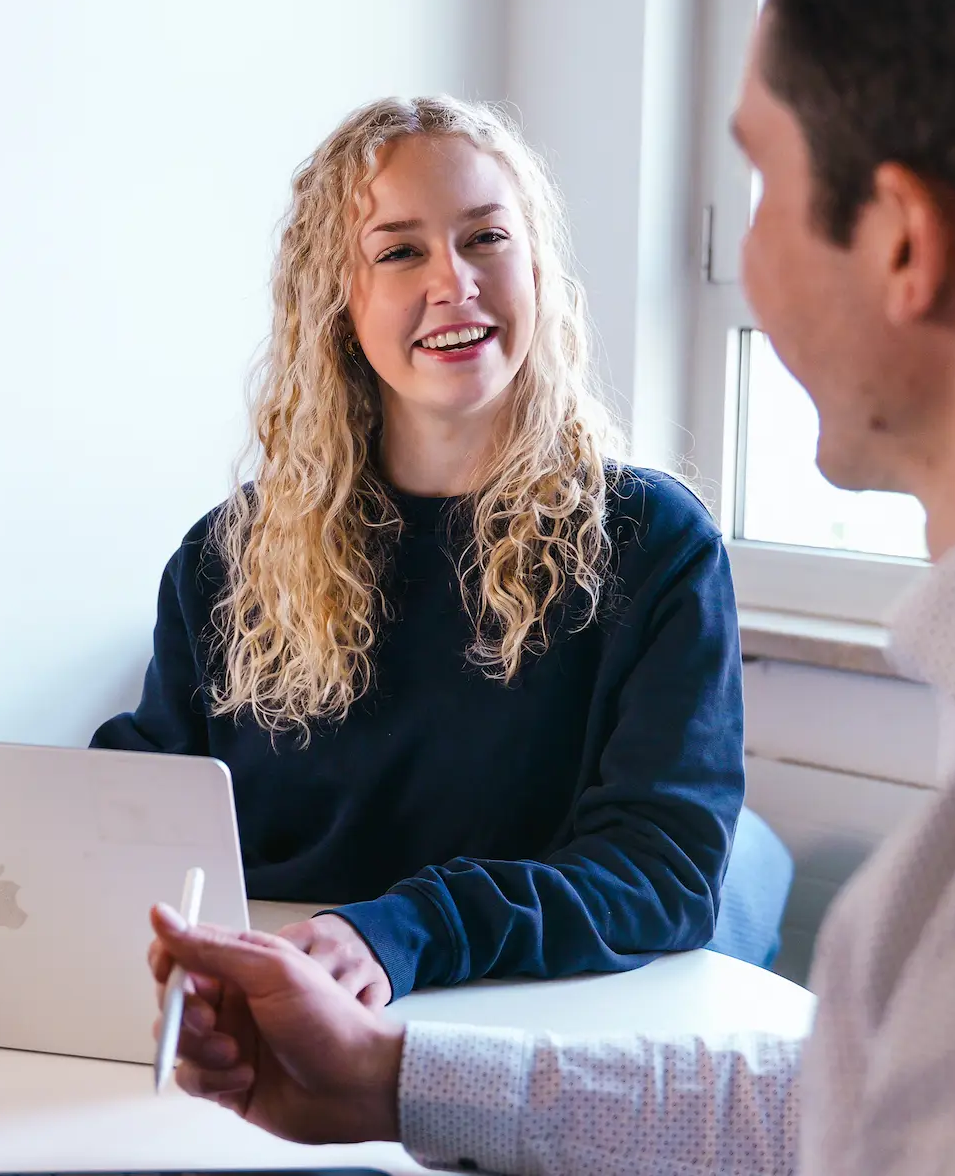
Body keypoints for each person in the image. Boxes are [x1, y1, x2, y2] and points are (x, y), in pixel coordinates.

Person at [145, 0, 955, 1170]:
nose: (744, 247)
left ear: (903, 242)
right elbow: (818, 1111)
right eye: (400, 254)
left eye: (763, 176)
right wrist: (395, 1081)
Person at [94, 94, 788, 1006]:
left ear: (536, 264)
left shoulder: (653, 545)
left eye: (486, 238)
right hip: (267, 1013)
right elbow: (150, 806)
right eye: (399, 250)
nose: (453, 282)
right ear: (339, 303)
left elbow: (661, 872)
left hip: (522, 1022)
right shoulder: (224, 558)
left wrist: (399, 931)